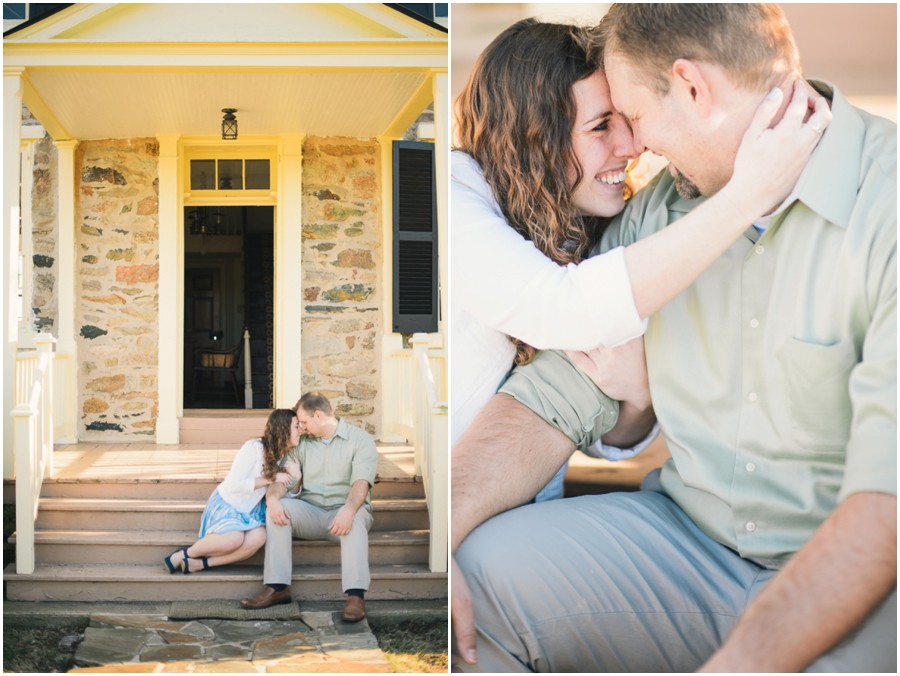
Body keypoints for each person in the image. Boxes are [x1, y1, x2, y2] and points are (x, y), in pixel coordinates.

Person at [454, 4, 896, 672]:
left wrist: (742, 662)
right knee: (471, 584)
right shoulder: (661, 213)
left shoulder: (885, 205)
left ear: (693, 88)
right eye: (611, 125)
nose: (637, 145)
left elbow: (885, 505)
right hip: (690, 548)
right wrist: (443, 542)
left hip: (862, 579)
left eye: (633, 115)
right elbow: (550, 400)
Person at [451, 18, 829, 503]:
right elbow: (560, 310)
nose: (631, 148)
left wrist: (639, 399)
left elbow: (605, 439)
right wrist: (747, 195)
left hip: (529, 510)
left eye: (628, 120)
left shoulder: (576, 219)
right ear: (535, 139)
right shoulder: (454, 195)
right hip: (459, 510)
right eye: (600, 126)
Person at [240, 392, 379, 622]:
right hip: (311, 510)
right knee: (279, 508)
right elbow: (284, 479)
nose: (301, 428)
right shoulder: (302, 443)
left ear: (319, 415)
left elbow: (361, 483)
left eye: (303, 422)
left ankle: (356, 597)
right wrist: (272, 500)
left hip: (345, 511)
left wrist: (348, 510)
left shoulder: (360, 440)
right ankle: (277, 588)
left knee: (353, 522)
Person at [163, 408, 302, 574]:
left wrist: (297, 477)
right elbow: (233, 485)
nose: (301, 430)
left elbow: (286, 496)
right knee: (233, 539)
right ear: (283, 428)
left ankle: (201, 564)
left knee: (258, 538)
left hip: (253, 512)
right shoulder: (254, 448)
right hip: (230, 503)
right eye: (296, 426)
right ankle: (186, 553)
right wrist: (271, 479)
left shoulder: (286, 458)